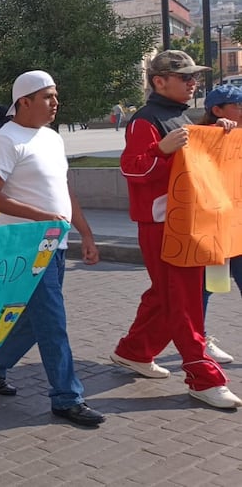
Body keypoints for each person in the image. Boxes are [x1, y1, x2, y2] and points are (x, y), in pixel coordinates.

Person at [0, 70, 105, 427]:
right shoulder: (6, 139)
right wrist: (43, 217)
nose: (55, 103)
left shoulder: (51, 138)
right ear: (24, 102)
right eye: (48, 97)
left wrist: (85, 234)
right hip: (26, 246)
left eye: (56, 96)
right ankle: (67, 396)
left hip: (55, 243)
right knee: (53, 322)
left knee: (35, 318)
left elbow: (64, 191)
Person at [111, 51, 242, 409]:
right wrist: (160, 150)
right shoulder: (144, 121)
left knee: (167, 296)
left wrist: (218, 135)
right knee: (182, 302)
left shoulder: (177, 116)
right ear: (159, 81)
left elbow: (196, 164)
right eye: (185, 77)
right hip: (162, 225)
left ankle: (134, 351)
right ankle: (203, 377)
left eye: (193, 77)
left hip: (186, 221)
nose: (192, 82)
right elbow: (133, 171)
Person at [194, 85, 242, 363]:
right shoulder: (207, 137)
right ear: (217, 111)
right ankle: (198, 340)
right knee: (207, 286)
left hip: (237, 227)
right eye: (238, 105)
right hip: (216, 229)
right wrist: (215, 135)